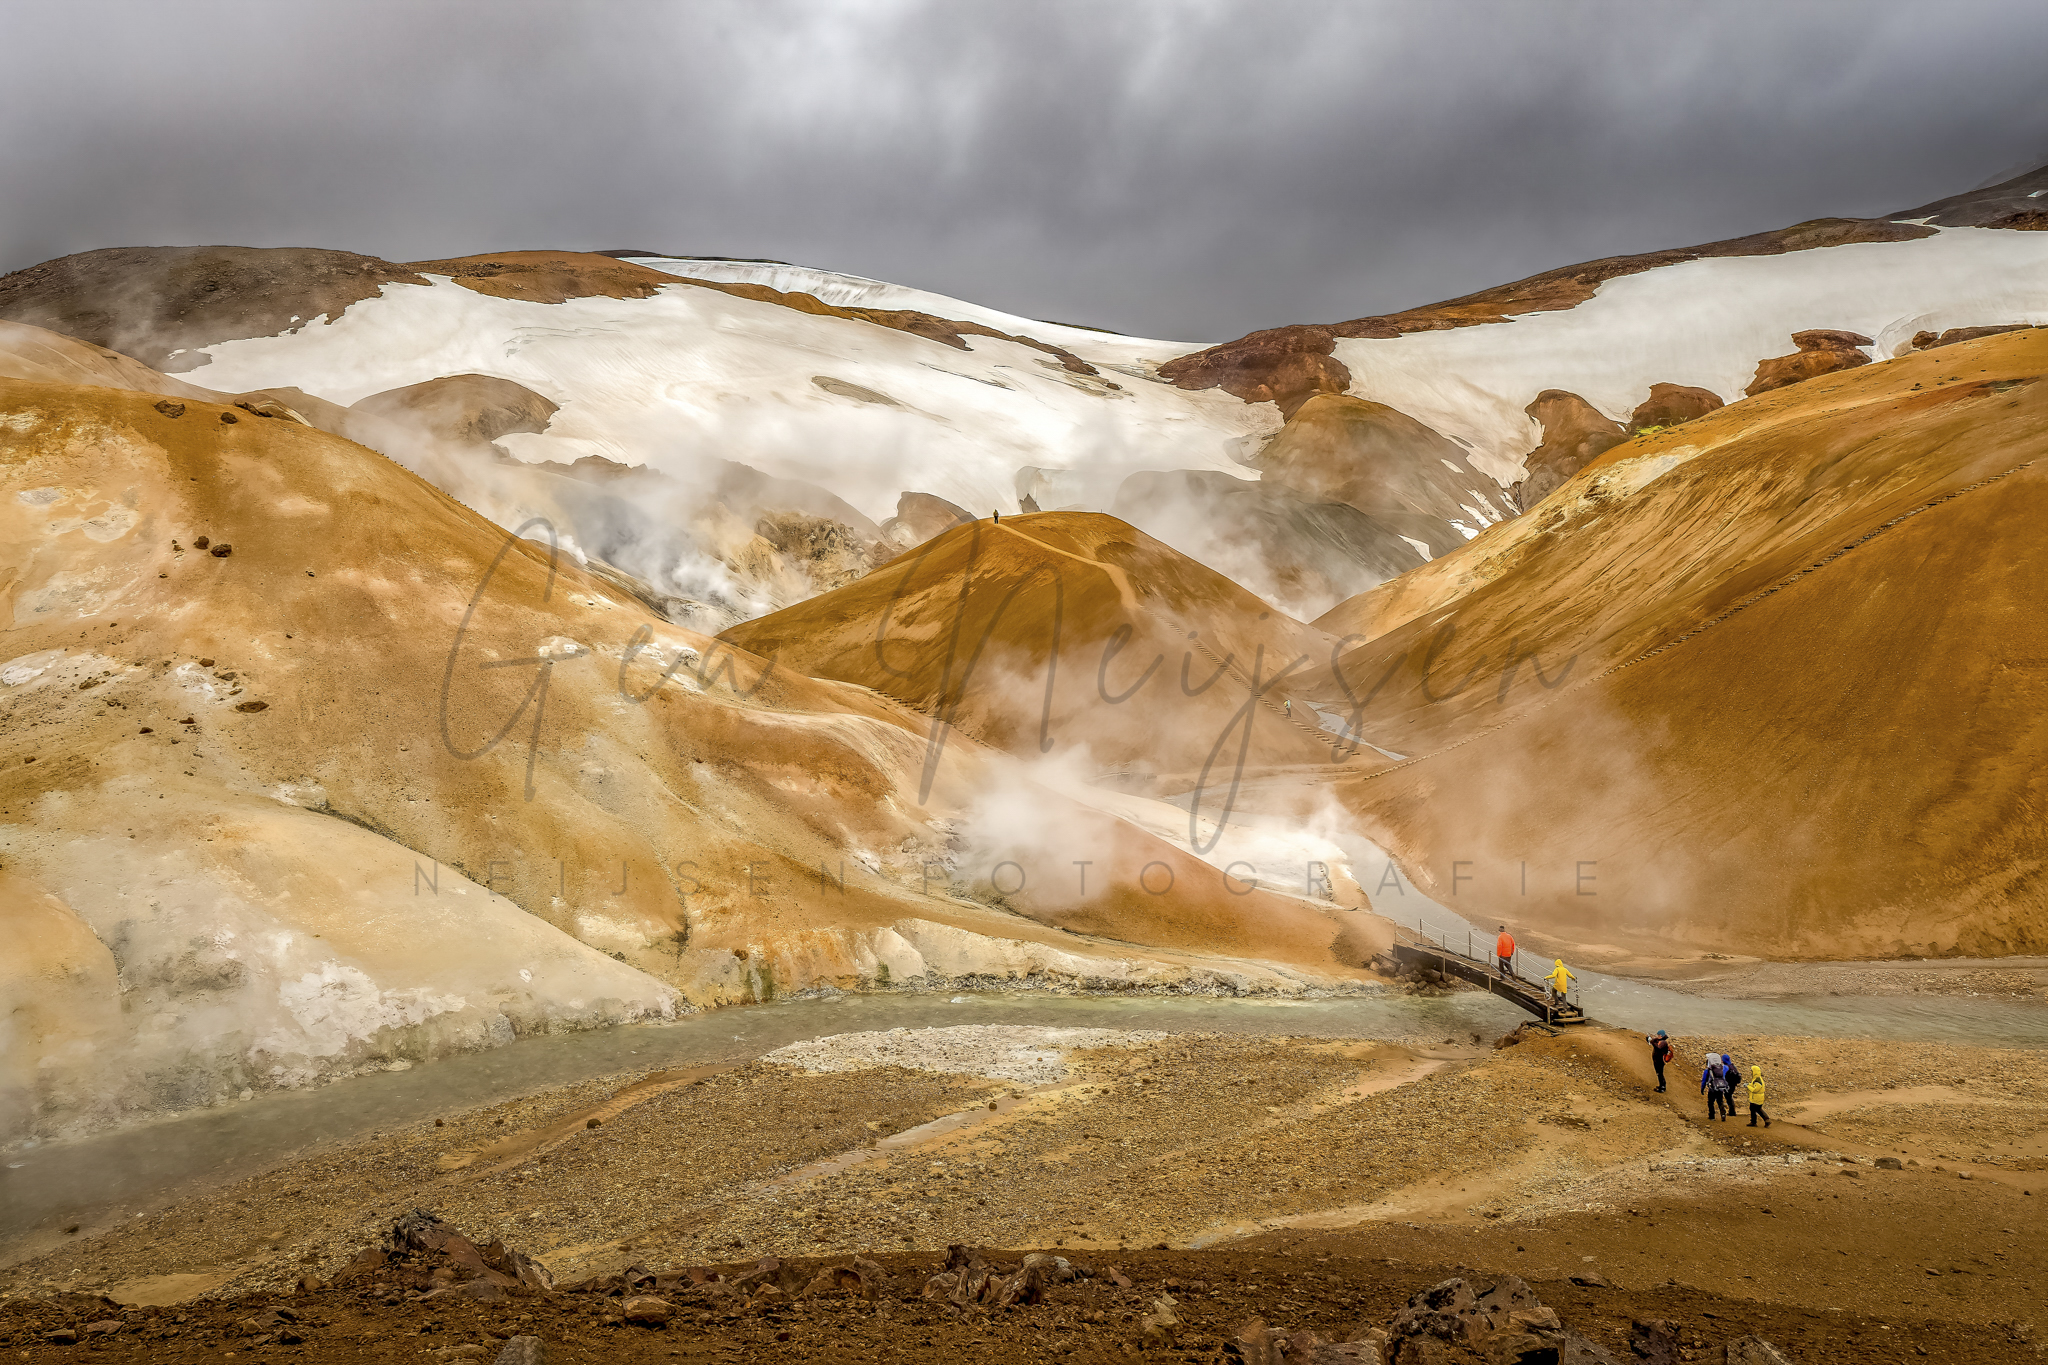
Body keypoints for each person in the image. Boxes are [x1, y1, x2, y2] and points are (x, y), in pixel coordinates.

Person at [1700, 1053, 1729, 1120]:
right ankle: (1723, 1113)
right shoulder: (1723, 1068)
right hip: (1720, 1087)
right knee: (1720, 1101)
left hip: (1712, 1088)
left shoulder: (1708, 1070)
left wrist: (1702, 1088)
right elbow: (1727, 1069)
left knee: (1711, 1102)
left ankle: (1712, 1116)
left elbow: (1704, 1080)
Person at [1746, 1064, 1771, 1128]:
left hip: (1756, 1098)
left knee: (1757, 1109)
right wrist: (1749, 1084)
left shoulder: (1757, 1080)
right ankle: (1754, 1121)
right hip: (1757, 1098)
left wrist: (1748, 1086)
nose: (1751, 1072)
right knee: (1754, 1109)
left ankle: (1765, 1120)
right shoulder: (1757, 1079)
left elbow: (1755, 1089)